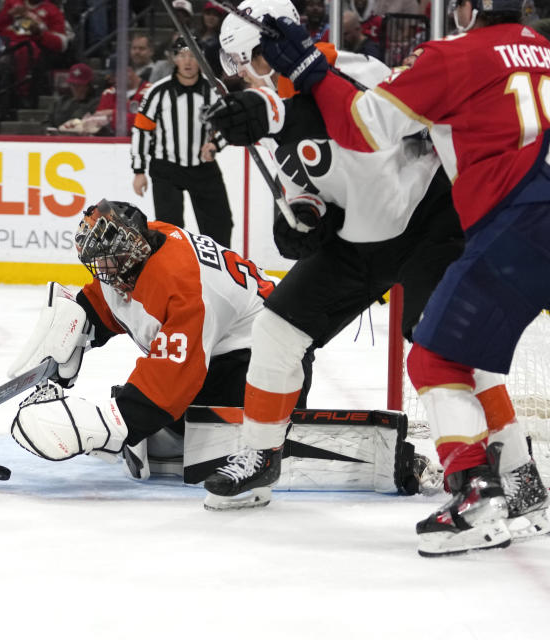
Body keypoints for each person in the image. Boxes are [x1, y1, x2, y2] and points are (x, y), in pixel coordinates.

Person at [250, 0, 549, 555]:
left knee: (435, 356)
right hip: (528, 223)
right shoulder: (544, 53)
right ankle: (524, 487)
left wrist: (312, 73)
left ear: (468, 9)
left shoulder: (456, 56)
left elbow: (364, 126)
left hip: (510, 224)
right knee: (460, 353)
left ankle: (476, 496)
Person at [201, 0, 467, 517]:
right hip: (361, 238)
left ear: (277, 47)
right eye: (239, 73)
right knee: (277, 328)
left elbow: (365, 134)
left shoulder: (355, 70)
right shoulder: (269, 114)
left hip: (428, 220)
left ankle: (478, 471)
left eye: (252, 64)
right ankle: (259, 453)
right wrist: (299, 224)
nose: (249, 81)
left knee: (439, 347)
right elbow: (306, 192)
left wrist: (276, 118)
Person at [9, 199, 309, 476]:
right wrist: (76, 326)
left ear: (132, 251)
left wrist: (110, 424)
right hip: (228, 347)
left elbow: (172, 378)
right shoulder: (146, 243)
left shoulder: (183, 289)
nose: (102, 272)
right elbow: (116, 301)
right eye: (98, 263)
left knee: (169, 417)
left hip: (268, 362)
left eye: (107, 263)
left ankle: (267, 433)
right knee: (163, 419)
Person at [131, 36, 234, 248]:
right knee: (169, 230)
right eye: (182, 55)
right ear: (173, 59)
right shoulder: (158, 92)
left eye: (193, 55)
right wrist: (139, 171)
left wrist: (216, 144)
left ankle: (218, 274)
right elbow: (142, 130)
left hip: (203, 167)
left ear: (201, 58)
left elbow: (230, 124)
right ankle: (174, 273)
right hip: (166, 168)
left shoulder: (214, 90)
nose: (187, 61)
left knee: (220, 224)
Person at [44, 62, 99, 129]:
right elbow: (46, 122)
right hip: (57, 138)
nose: (75, 88)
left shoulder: (96, 104)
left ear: (88, 86)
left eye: (79, 85)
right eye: (72, 84)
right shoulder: (60, 102)